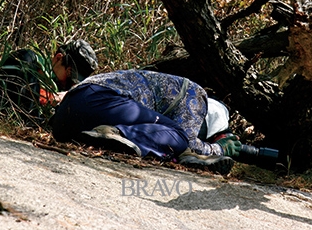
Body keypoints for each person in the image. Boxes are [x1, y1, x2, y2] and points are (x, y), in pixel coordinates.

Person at [50, 69, 244, 175]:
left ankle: (108, 133)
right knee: (179, 137)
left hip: (67, 114)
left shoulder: (169, 83)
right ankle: (114, 134)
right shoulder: (197, 95)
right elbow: (189, 143)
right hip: (103, 101)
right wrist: (219, 149)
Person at [0, 40, 98, 124]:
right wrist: (52, 99)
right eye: (69, 74)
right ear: (58, 58)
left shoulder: (63, 87)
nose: (68, 83)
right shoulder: (29, 61)